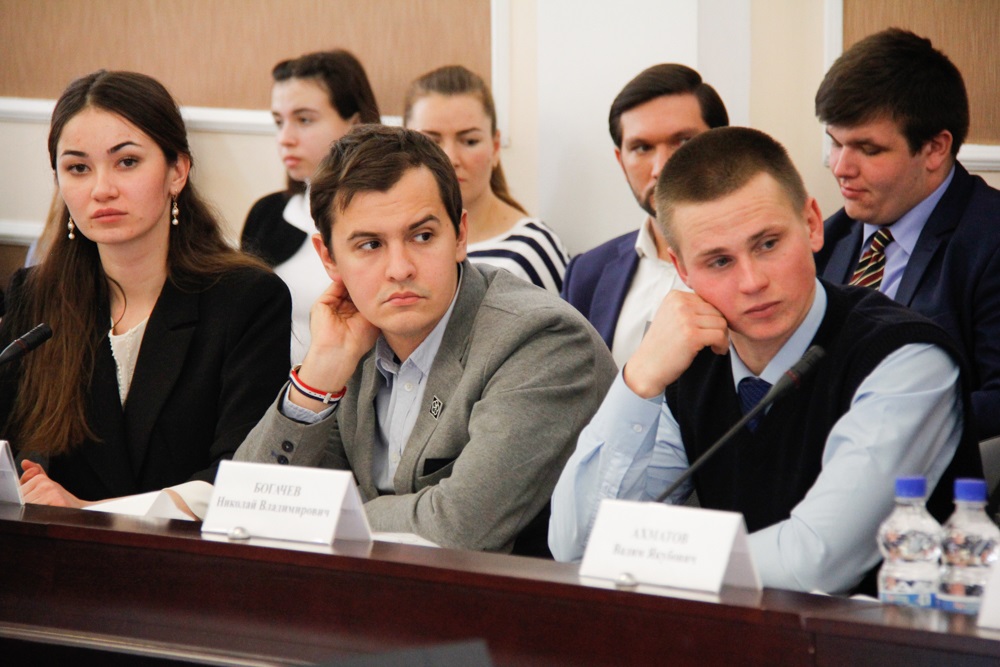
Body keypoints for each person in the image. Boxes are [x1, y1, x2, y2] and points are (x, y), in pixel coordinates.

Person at [548, 127, 983, 594]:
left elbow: (816, 561)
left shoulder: (906, 358)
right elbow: (575, 545)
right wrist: (638, 380)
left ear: (811, 224)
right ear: (682, 270)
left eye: (768, 244)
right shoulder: (691, 362)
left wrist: (645, 561)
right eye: (719, 262)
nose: (752, 281)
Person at [234, 124, 616, 556]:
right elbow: (251, 503)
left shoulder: (541, 340)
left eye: (422, 236)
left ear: (460, 236)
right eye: (370, 245)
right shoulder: (352, 339)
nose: (400, 268)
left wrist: (312, 516)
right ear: (329, 258)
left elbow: (460, 528)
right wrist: (318, 377)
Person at [0, 70, 292, 507]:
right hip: (48, 549)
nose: (102, 189)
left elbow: (243, 476)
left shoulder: (246, 298)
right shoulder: (34, 298)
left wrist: (90, 514)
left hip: (188, 549)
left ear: (178, 171)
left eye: (127, 162)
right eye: (78, 168)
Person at [814, 28, 1000, 441]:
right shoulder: (825, 242)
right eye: (835, 143)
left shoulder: (990, 241)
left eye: (868, 149)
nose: (841, 168)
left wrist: (883, 432)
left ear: (935, 148)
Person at [560, 64, 728, 367]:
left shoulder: (763, 266)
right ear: (620, 160)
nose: (661, 167)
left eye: (683, 141)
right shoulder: (587, 274)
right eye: (642, 148)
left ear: (723, 144)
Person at [242, 50, 381, 363]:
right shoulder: (268, 214)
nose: (285, 138)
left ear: (355, 124)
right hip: (277, 388)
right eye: (279, 122)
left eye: (304, 120)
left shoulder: (384, 219)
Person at [403, 65, 569, 293]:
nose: (450, 159)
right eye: (432, 142)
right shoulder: (389, 248)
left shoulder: (531, 250)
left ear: (496, 146)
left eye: (470, 141)